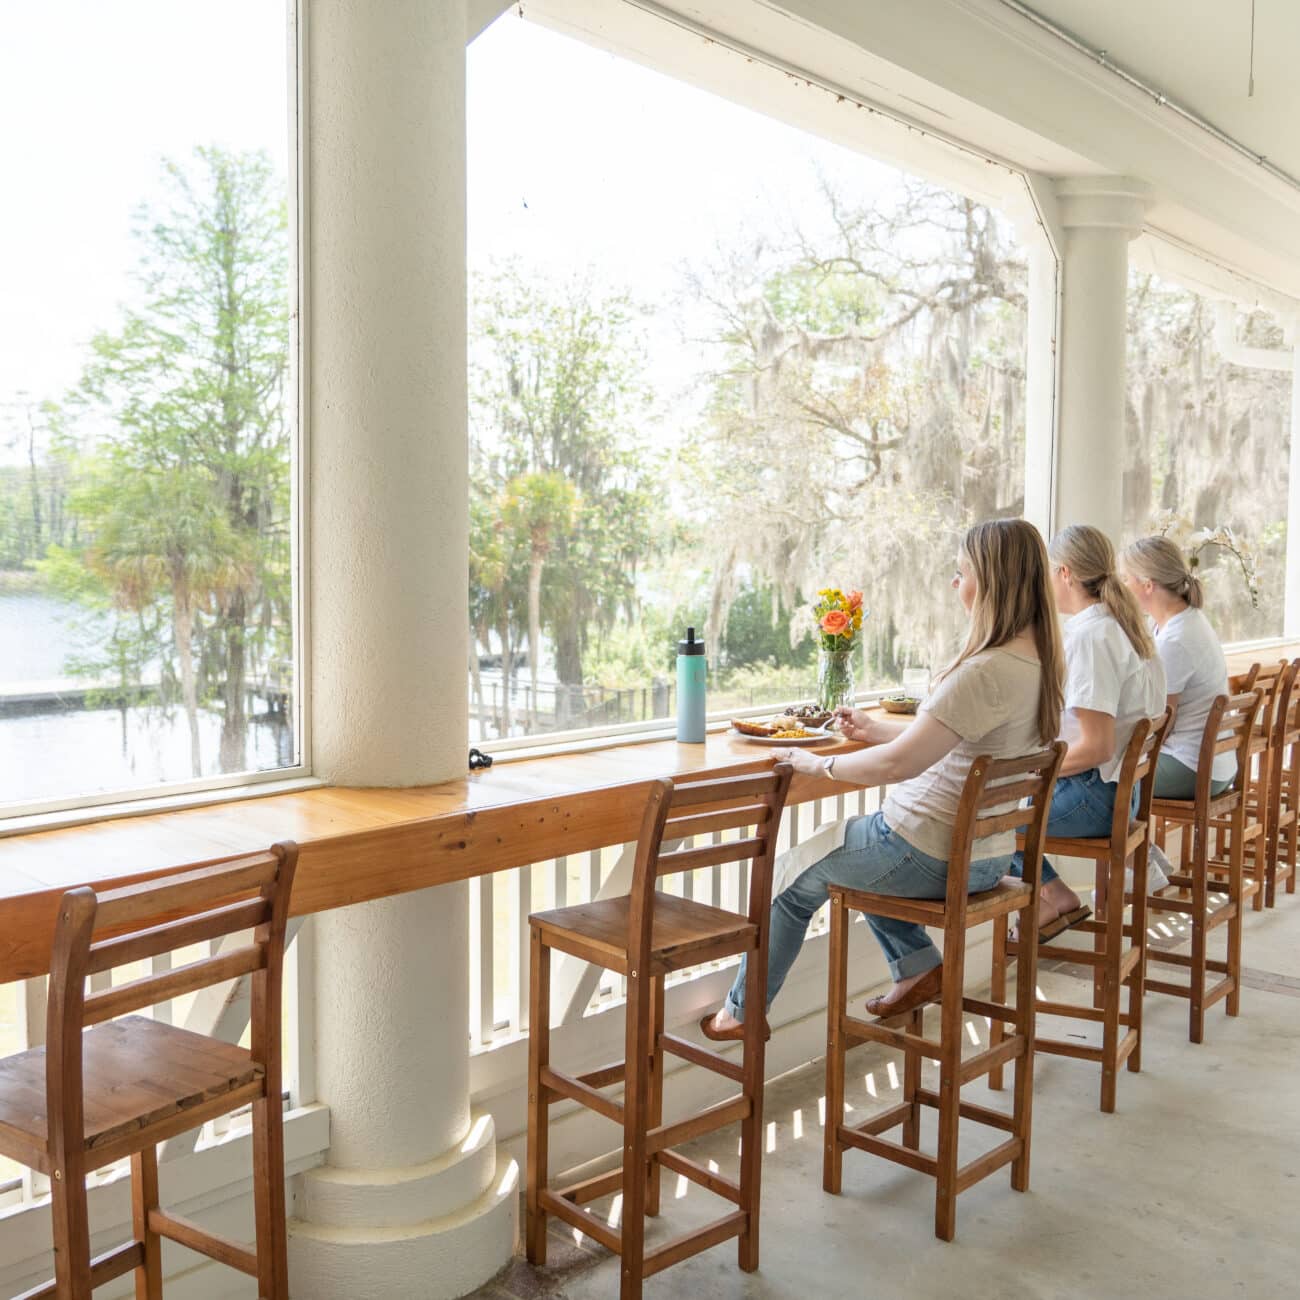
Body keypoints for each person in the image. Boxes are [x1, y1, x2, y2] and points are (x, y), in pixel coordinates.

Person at [701, 519, 1065, 1037]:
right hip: (986, 858)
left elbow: (902, 766)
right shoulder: (1042, 663)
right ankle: (918, 967)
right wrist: (872, 730)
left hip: (927, 854)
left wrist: (816, 764)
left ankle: (740, 1012)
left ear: (988, 582)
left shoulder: (983, 671)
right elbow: (951, 747)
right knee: (854, 847)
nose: (954, 585)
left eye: (960, 574)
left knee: (787, 879)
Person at [1008, 524, 1167, 937]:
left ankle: (1054, 895)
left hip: (1098, 796)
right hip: (1118, 793)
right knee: (996, 804)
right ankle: (1055, 894)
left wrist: (1035, 771)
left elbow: (1097, 747)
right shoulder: (1122, 626)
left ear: (1065, 574)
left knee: (982, 817)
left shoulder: (1093, 637)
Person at [1121, 535, 1234, 798]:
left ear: (1147, 585)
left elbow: (1162, 724)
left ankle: (1136, 841)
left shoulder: (1177, 639)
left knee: (1103, 778)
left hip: (1192, 767)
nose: (1122, 587)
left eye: (1126, 579)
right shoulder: (1178, 622)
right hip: (1214, 764)